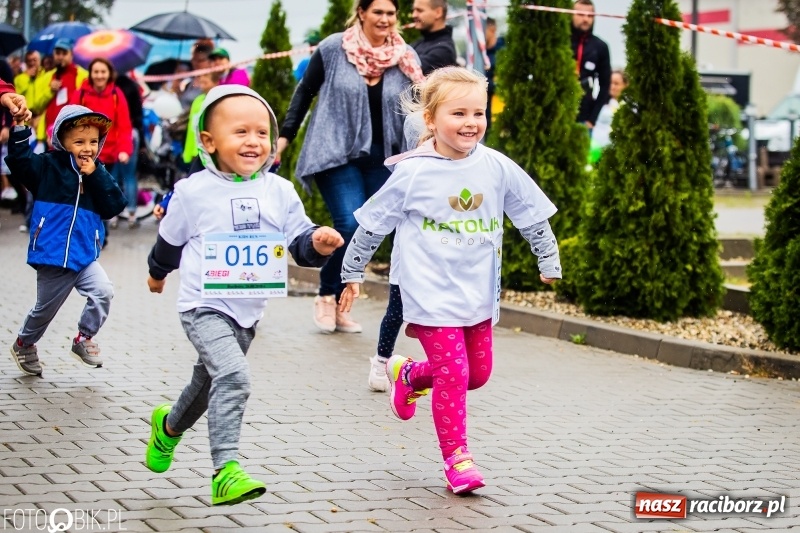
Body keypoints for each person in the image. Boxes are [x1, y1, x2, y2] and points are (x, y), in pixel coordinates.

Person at [338, 67, 562, 494]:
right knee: (456, 375)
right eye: (458, 113)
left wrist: (547, 258)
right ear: (431, 120)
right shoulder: (413, 172)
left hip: (478, 295)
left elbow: (531, 215)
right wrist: (352, 272)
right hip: (429, 296)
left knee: (476, 374)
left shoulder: (496, 166)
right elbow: (372, 225)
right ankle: (457, 459)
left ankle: (410, 377)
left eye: (478, 112)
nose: (471, 122)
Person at [144, 85, 344, 505]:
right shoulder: (193, 191)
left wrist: (318, 242)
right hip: (203, 306)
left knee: (207, 383)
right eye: (240, 132)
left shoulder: (279, 190)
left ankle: (168, 428)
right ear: (209, 142)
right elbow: (168, 241)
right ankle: (226, 470)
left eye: (261, 133)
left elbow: (299, 242)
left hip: (249, 311)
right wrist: (158, 273)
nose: (254, 142)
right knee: (233, 376)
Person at [276, 0, 423, 335]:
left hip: (382, 159)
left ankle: (343, 303)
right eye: (378, 12)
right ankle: (326, 296)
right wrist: (284, 137)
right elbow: (304, 94)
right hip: (335, 154)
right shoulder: (333, 49)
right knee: (348, 222)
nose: (385, 19)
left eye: (390, 14)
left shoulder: (405, 57)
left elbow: (419, 107)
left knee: (369, 228)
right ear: (361, 13)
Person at [5, 105, 126, 376]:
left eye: (93, 141)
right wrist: (21, 129)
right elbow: (20, 161)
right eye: (79, 141)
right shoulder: (48, 167)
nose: (87, 148)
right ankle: (25, 343)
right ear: (62, 140)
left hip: (84, 256)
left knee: (103, 291)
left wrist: (96, 175)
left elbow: (114, 205)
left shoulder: (98, 173)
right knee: (44, 311)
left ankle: (84, 338)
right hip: (52, 254)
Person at [70, 58, 134, 233]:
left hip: (109, 154)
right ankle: (85, 230)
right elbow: (70, 121)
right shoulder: (81, 93)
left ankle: (100, 233)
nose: (99, 76)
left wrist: (124, 149)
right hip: (84, 153)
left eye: (103, 72)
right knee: (84, 192)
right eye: (96, 72)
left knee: (101, 193)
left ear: (109, 74)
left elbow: (124, 124)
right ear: (90, 73)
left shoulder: (116, 94)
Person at [31, 39, 88, 146]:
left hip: (74, 133)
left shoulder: (83, 76)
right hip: (48, 135)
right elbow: (37, 106)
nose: (60, 57)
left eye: (64, 53)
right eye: (57, 53)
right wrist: (50, 91)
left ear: (71, 54)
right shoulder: (46, 77)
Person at [571, 0, 611, 134]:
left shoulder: (600, 47)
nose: (586, 19)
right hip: (559, 113)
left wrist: (592, 120)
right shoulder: (562, 41)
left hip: (584, 116)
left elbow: (605, 86)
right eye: (581, 14)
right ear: (571, 15)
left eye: (590, 16)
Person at [113, 73, 146, 228]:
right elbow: (139, 114)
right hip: (131, 133)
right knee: (129, 176)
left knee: (115, 175)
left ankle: (113, 214)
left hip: (116, 133)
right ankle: (132, 214)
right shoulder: (132, 86)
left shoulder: (112, 89)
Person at [410, 0, 457, 75]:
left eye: (420, 10)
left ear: (438, 12)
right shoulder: (418, 43)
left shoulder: (444, 50)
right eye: (413, 10)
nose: (414, 15)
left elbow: (409, 69)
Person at [591, 68, 628, 153]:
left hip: (615, 151)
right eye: (610, 83)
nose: (612, 86)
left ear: (625, 85)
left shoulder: (628, 106)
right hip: (595, 148)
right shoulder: (599, 102)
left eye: (616, 83)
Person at [484, 17, 505, 138]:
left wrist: (484, 83)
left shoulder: (502, 54)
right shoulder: (478, 54)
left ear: (492, 29)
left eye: (481, 31)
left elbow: (502, 86)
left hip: (498, 114)